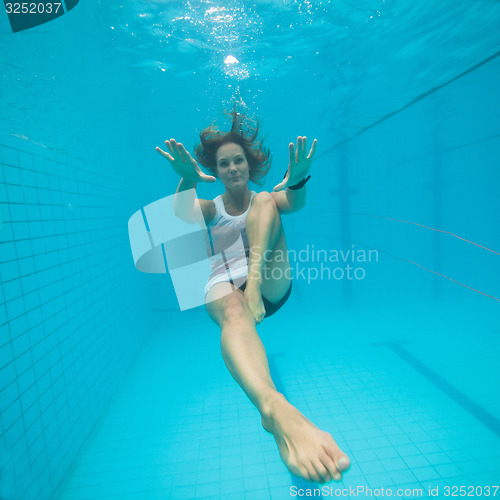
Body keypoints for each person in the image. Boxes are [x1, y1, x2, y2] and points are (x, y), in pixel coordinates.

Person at [156, 111, 350, 484]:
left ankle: (254, 289)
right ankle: (273, 408)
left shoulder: (265, 195)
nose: (232, 168)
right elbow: (183, 214)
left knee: (266, 202)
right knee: (233, 307)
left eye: (238, 160)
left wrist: (297, 180)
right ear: (216, 168)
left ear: (250, 164)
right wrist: (185, 180)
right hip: (227, 285)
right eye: (224, 163)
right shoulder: (213, 207)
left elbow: (294, 202)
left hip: (267, 286)